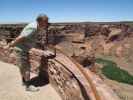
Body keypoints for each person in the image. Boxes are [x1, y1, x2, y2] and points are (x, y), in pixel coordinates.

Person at [4, 14, 50, 92]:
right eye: (46, 21)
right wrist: (10, 45)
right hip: (21, 50)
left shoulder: (35, 25)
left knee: (23, 67)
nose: (47, 23)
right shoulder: (33, 28)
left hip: (23, 49)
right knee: (26, 68)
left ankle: (24, 82)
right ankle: (28, 86)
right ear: (41, 21)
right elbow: (21, 37)